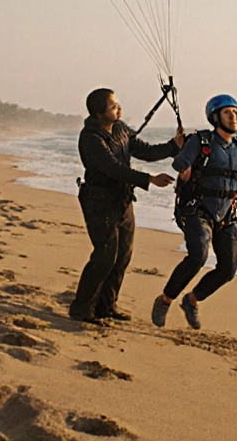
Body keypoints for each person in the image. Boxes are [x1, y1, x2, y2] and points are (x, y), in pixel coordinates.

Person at [151, 94, 237, 329]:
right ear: (215, 117)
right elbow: (179, 163)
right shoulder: (200, 141)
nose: (233, 116)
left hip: (227, 216)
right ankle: (165, 300)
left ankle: (191, 301)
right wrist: (184, 168)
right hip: (198, 211)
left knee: (228, 269)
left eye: (235, 111)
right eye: (227, 112)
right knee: (198, 256)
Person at [72, 88, 183, 324]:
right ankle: (81, 309)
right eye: (113, 107)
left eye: (117, 104)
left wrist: (174, 145)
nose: (119, 109)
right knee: (105, 256)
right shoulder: (90, 138)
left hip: (122, 201)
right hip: (99, 203)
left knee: (123, 255)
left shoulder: (121, 129)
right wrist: (149, 179)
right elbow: (114, 168)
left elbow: (146, 151)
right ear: (99, 113)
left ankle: (106, 307)